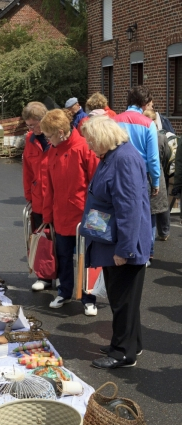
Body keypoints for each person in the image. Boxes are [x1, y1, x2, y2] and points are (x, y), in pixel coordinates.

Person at [80, 116, 151, 369]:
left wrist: (125, 250)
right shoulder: (115, 155)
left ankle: (123, 353)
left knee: (122, 300)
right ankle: (133, 344)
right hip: (115, 239)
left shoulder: (123, 158)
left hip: (122, 244)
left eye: (91, 141)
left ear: (103, 137)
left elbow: (130, 208)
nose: (89, 146)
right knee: (125, 300)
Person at [40, 109, 99, 315]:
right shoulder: (53, 151)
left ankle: (89, 296)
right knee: (63, 255)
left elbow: (96, 184)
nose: (47, 140)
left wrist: (96, 217)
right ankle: (65, 292)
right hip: (61, 214)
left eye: (49, 135)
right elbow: (49, 189)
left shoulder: (84, 148)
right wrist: (48, 216)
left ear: (61, 131)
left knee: (88, 258)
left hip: (85, 214)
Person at [22, 101, 52, 291]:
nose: (31, 129)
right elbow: (27, 170)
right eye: (29, 126)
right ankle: (45, 276)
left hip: (56, 197)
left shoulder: (55, 138)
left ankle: (65, 279)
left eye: (34, 125)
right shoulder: (29, 139)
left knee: (61, 242)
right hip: (38, 196)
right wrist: (29, 195)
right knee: (41, 238)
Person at [114, 86, 160, 196]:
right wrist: (156, 181)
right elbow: (153, 158)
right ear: (145, 102)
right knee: (140, 211)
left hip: (118, 174)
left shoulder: (114, 121)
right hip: (141, 175)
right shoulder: (149, 124)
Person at [143, 109, 171, 247]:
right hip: (158, 173)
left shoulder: (142, 134)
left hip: (145, 174)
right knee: (160, 206)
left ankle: (148, 248)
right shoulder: (161, 136)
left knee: (150, 212)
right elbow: (166, 155)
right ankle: (164, 232)